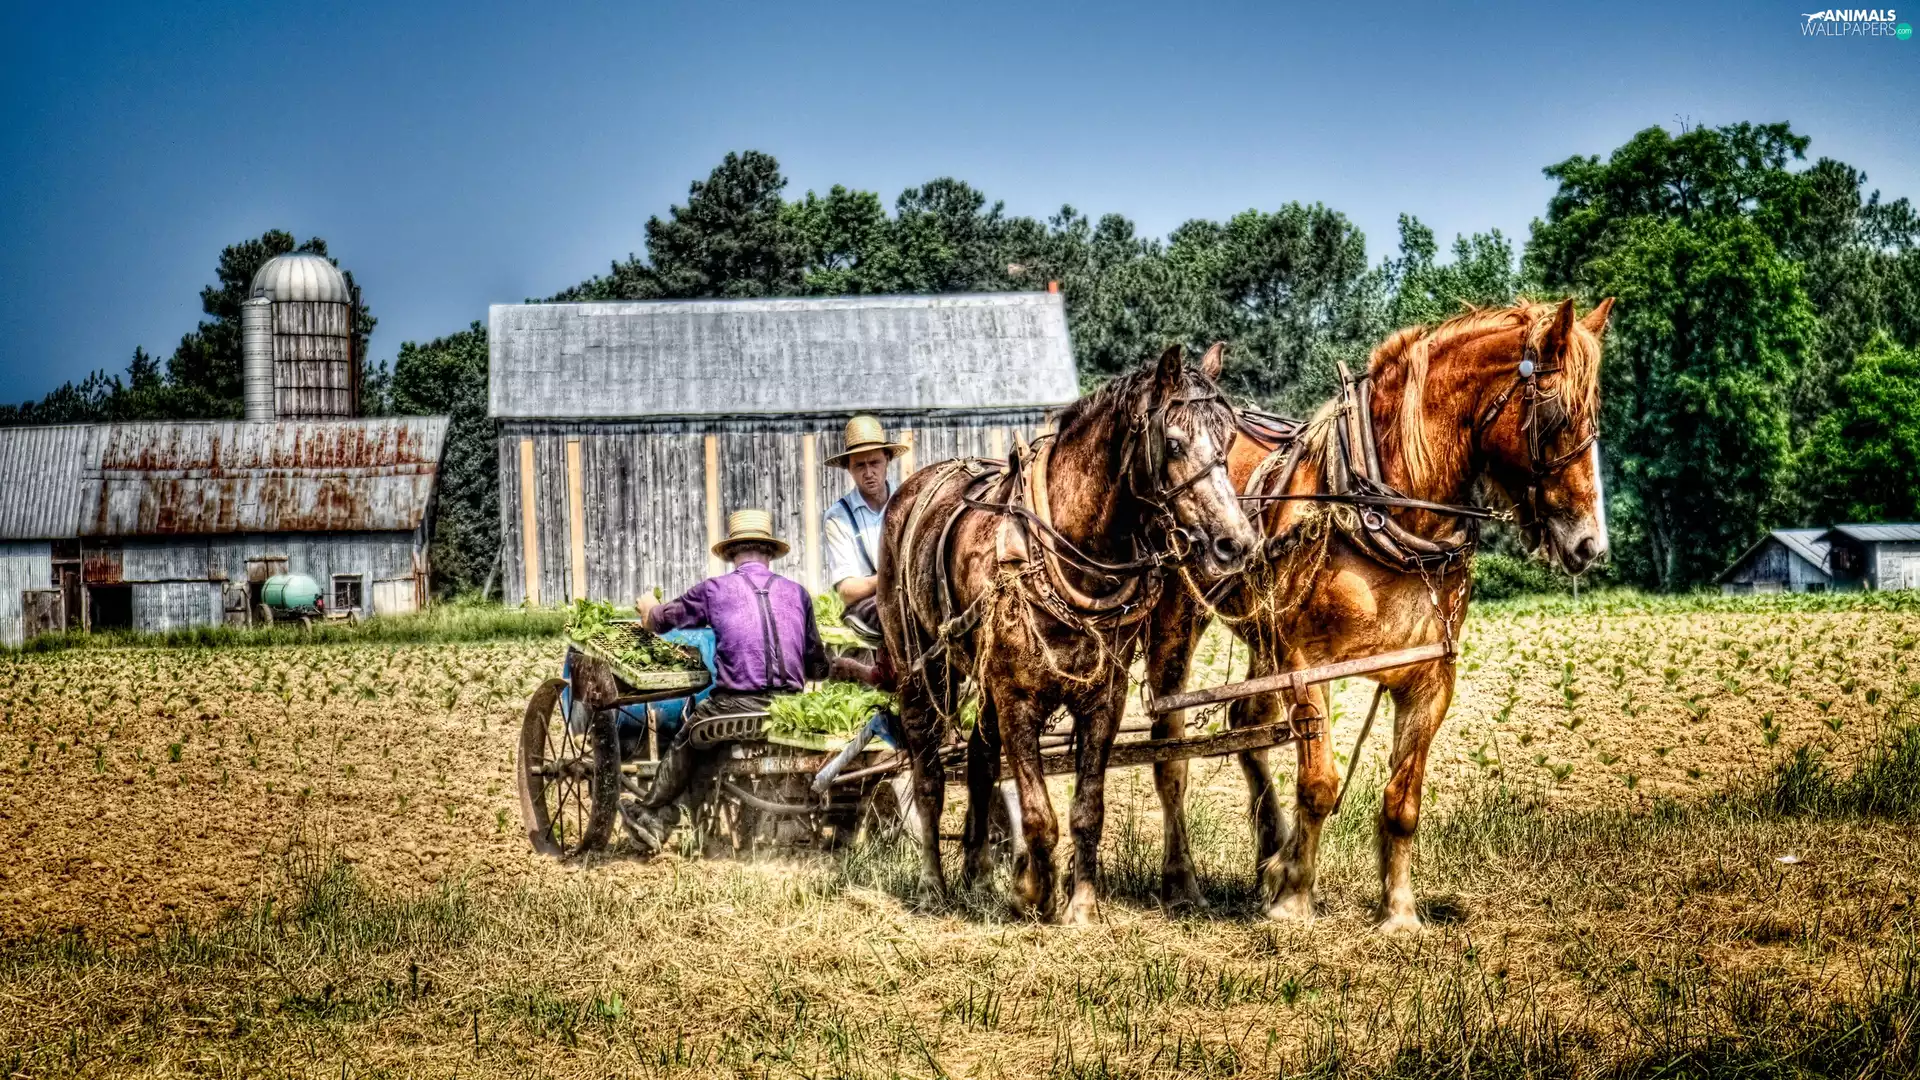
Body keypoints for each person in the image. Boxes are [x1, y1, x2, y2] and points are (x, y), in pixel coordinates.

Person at [624, 509, 829, 851]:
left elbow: (660, 622)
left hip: (736, 706)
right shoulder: (798, 593)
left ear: (732, 553)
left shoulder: (715, 590)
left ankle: (653, 814)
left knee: (691, 736)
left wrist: (648, 607)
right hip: (792, 709)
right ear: (769, 553)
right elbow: (817, 668)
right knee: (709, 743)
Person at [822, 415, 908, 638]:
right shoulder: (839, 517)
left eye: (874, 463)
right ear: (849, 469)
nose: (868, 473)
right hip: (868, 605)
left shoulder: (907, 502)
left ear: (887, 459)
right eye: (860, 465)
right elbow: (848, 591)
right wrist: (891, 578)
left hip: (910, 594)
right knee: (902, 615)